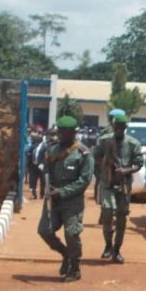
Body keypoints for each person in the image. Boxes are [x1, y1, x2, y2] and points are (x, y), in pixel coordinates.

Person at [37, 116, 94, 282]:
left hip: (72, 202)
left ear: (73, 133)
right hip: (53, 201)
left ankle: (75, 269)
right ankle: (66, 254)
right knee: (45, 231)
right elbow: (46, 171)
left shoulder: (83, 153)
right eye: (60, 132)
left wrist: (62, 192)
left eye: (65, 133)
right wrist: (49, 187)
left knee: (71, 234)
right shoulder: (52, 150)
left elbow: (84, 181)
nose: (61, 136)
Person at [93, 114, 143, 264]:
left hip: (124, 185)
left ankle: (117, 249)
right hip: (107, 183)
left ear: (125, 128)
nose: (119, 130)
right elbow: (95, 157)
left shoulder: (133, 144)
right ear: (113, 127)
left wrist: (126, 171)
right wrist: (105, 168)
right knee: (107, 212)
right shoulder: (104, 141)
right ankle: (108, 244)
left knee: (121, 218)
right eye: (117, 127)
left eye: (122, 127)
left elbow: (139, 163)